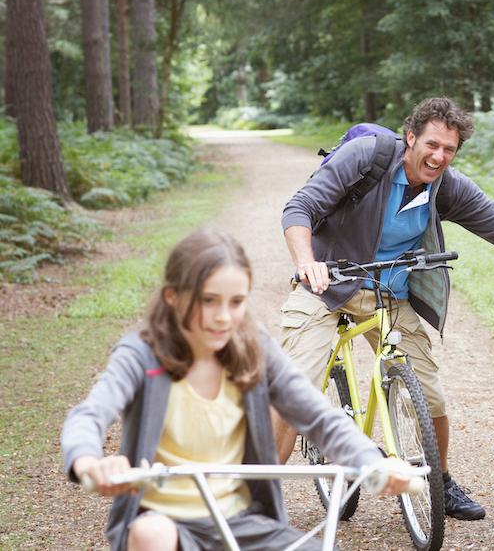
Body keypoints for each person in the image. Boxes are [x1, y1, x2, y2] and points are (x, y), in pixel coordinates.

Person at [275, 97, 494, 520]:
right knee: (296, 389)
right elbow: (300, 208)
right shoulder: (365, 158)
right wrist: (306, 263)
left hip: (387, 293)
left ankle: (439, 480)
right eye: (432, 144)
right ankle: (260, 496)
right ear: (410, 138)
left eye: (449, 149)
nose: (439, 156)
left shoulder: (447, 186)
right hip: (326, 284)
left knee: (431, 396)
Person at [61, 228, 417, 550]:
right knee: (151, 534)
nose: (223, 317)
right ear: (173, 297)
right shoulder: (142, 354)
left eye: (236, 302)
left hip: (240, 524)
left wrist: (371, 462)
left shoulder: (254, 349)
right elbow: (91, 413)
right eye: (208, 301)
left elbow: (319, 416)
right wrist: (88, 461)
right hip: (165, 526)